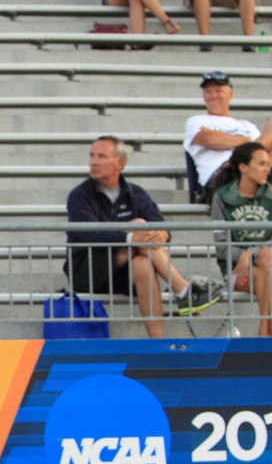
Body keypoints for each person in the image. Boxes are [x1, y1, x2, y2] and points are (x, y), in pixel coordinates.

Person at [66, 136, 224, 339]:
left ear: (120, 163)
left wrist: (160, 234)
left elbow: (160, 226)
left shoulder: (135, 193)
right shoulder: (79, 196)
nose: (94, 162)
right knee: (138, 226)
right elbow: (89, 234)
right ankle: (183, 289)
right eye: (92, 156)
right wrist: (130, 236)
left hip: (127, 270)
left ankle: (156, 341)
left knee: (142, 262)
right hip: (90, 270)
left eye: (102, 157)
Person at [208, 142, 272, 336]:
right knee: (264, 269)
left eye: (268, 164)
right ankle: (266, 329)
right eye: (261, 164)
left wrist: (250, 252)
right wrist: (243, 255)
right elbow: (221, 247)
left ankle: (264, 329)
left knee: (264, 257)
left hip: (267, 262)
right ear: (243, 167)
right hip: (236, 270)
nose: (267, 169)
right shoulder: (221, 197)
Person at [184, 71, 272, 203]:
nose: (213, 95)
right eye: (208, 92)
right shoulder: (196, 121)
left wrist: (227, 140)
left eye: (218, 90)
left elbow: (263, 153)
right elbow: (211, 140)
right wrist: (247, 141)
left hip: (254, 170)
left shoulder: (247, 125)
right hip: (221, 174)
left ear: (230, 94)